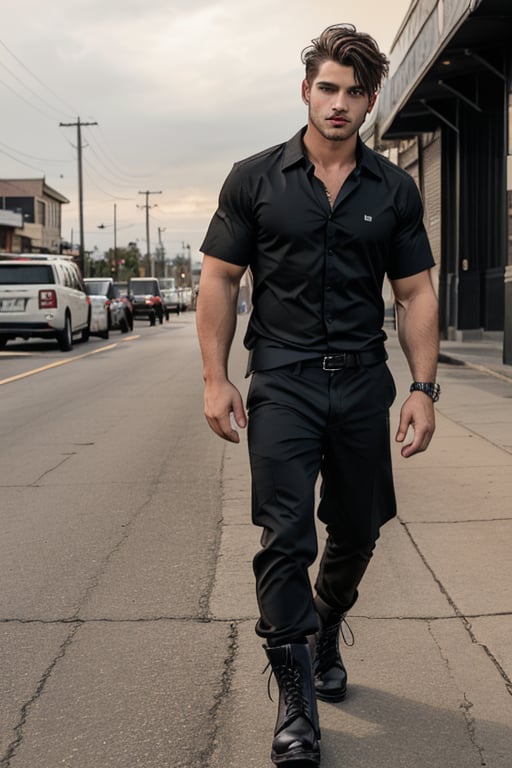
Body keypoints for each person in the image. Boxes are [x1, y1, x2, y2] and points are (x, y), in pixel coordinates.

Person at [196, 23, 439, 767]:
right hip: (284, 381)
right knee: (285, 536)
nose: (337, 103)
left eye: (352, 92)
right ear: (306, 91)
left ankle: (327, 620)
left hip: (364, 379)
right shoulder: (255, 178)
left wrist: (423, 387)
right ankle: (296, 697)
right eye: (326, 88)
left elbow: (415, 292)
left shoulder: (394, 190)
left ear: (369, 101)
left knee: (359, 530)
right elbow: (219, 281)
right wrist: (215, 377)